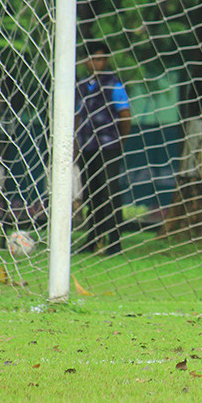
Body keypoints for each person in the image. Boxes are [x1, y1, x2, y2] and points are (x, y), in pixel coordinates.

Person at [74, 40, 131, 255]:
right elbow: (78, 117)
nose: (97, 63)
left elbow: (125, 115)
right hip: (87, 147)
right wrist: (75, 145)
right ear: (86, 61)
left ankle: (115, 242)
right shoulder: (81, 86)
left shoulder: (114, 85)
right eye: (93, 59)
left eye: (101, 59)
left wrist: (120, 141)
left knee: (109, 192)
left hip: (108, 146)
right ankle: (93, 239)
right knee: (91, 193)